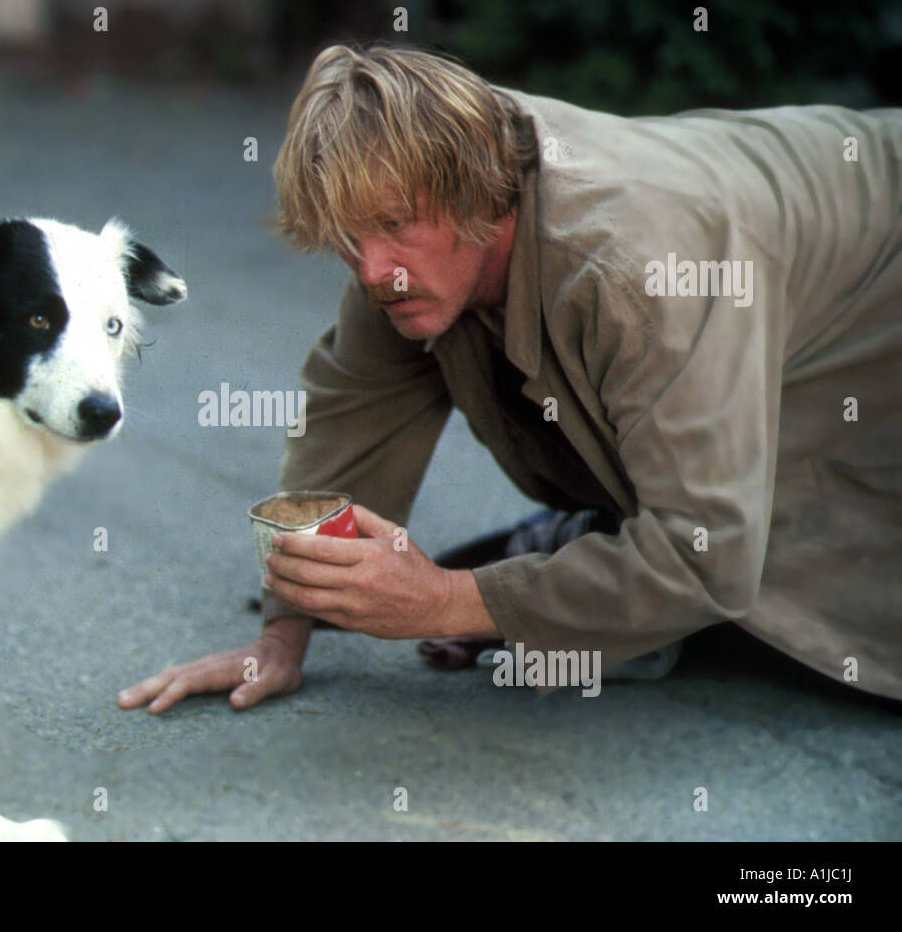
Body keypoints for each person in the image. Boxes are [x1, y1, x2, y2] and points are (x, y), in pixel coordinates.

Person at [118, 43, 902, 714]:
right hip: (773, 237)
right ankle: (606, 580)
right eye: (348, 238)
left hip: (878, 242)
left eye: (393, 225)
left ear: (479, 195)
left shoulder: (633, 268)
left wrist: (453, 602)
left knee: (790, 556)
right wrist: (281, 636)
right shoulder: (410, 216)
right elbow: (349, 414)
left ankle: (622, 589)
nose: (372, 270)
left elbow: (708, 553)